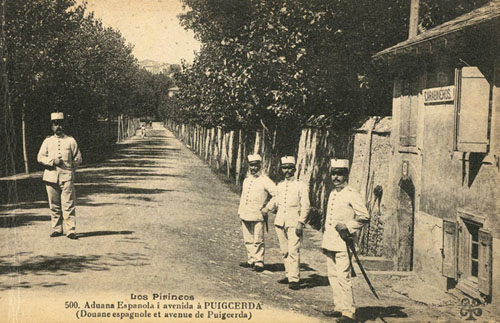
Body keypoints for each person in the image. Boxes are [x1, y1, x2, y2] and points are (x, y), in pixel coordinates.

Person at [322, 159, 369, 322]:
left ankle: (349, 312)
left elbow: (364, 216)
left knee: (343, 277)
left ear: (346, 175)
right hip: (330, 242)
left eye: (339, 174)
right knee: (333, 276)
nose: (336, 177)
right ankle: (339, 307)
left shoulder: (351, 194)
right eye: (333, 173)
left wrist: (348, 226)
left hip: (343, 243)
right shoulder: (332, 193)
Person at [37, 112, 82, 240]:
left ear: (64, 125)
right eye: (55, 124)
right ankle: (57, 229)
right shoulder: (47, 141)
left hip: (66, 177)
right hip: (50, 176)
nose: (58, 127)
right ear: (52, 126)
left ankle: (70, 230)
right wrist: (52, 161)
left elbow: (78, 158)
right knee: (54, 204)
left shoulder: (70, 140)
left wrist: (71, 170)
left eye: (60, 124)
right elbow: (40, 157)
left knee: (68, 204)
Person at [267, 156, 310, 290]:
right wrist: (266, 209)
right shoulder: (280, 185)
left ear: (294, 169)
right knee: (284, 251)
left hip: (294, 222)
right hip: (280, 221)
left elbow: (306, 206)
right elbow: (275, 201)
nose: (287, 171)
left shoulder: (300, 186)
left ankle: (295, 279)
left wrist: (301, 222)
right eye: (285, 168)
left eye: (290, 168)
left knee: (293, 250)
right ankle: (288, 274)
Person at [238, 154, 276, 272]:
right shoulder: (247, 180)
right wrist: (240, 211)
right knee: (248, 238)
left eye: (256, 165)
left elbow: (277, 194)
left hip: (258, 214)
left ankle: (259, 261)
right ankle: (251, 259)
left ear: (260, 165)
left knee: (258, 239)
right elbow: (243, 197)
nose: (253, 168)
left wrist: (267, 208)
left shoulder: (265, 180)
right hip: (245, 213)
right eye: (251, 165)